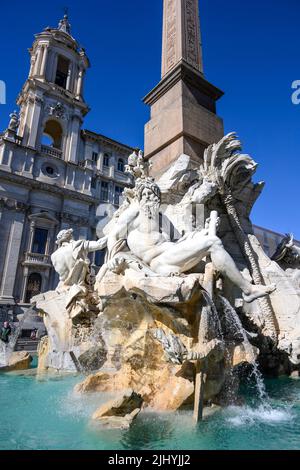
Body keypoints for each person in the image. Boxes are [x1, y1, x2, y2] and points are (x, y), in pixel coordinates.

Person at [102, 178, 276, 303]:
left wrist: (206, 229)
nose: (149, 197)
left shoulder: (162, 218)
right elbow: (114, 236)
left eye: (152, 194)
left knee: (210, 252)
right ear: (140, 197)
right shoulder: (135, 212)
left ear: (157, 197)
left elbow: (180, 241)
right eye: (145, 194)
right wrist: (113, 260)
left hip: (170, 257)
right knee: (212, 243)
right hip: (157, 262)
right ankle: (248, 290)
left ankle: (235, 297)